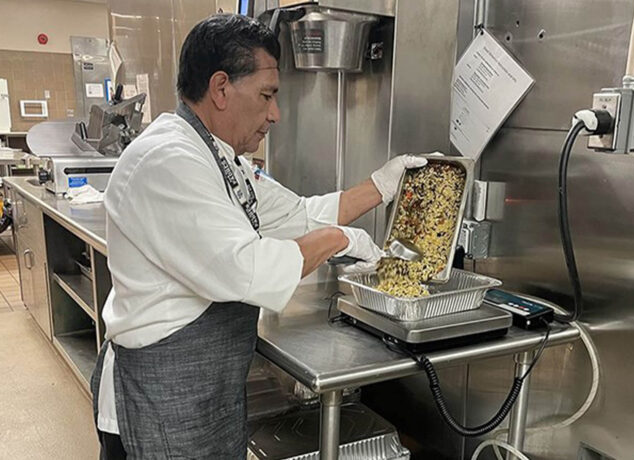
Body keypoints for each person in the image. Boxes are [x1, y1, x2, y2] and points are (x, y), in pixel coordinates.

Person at [90, 13, 427, 459]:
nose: (276, 114)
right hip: (158, 393)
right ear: (221, 87)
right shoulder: (167, 160)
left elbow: (299, 215)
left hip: (204, 390)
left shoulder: (221, 158)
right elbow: (246, 268)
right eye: (267, 95)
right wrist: (338, 241)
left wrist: (382, 186)